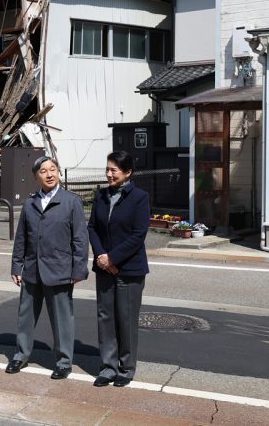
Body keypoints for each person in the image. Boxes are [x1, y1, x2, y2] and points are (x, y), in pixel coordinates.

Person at [5, 156, 89, 379]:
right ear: (36, 177)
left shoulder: (71, 201)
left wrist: (78, 269)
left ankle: (63, 362)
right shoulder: (30, 203)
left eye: (53, 169)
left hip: (60, 269)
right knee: (25, 316)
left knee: (62, 319)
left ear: (59, 172)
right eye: (44, 171)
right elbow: (21, 236)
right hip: (32, 269)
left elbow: (80, 239)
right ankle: (21, 356)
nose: (50, 174)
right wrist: (16, 265)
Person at [87, 150, 150, 388]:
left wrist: (113, 258)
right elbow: (92, 227)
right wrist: (102, 257)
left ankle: (126, 367)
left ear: (128, 173)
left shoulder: (139, 197)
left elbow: (138, 235)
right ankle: (108, 367)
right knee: (105, 318)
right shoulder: (101, 195)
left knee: (126, 319)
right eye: (107, 169)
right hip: (104, 267)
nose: (109, 174)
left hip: (129, 269)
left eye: (114, 170)